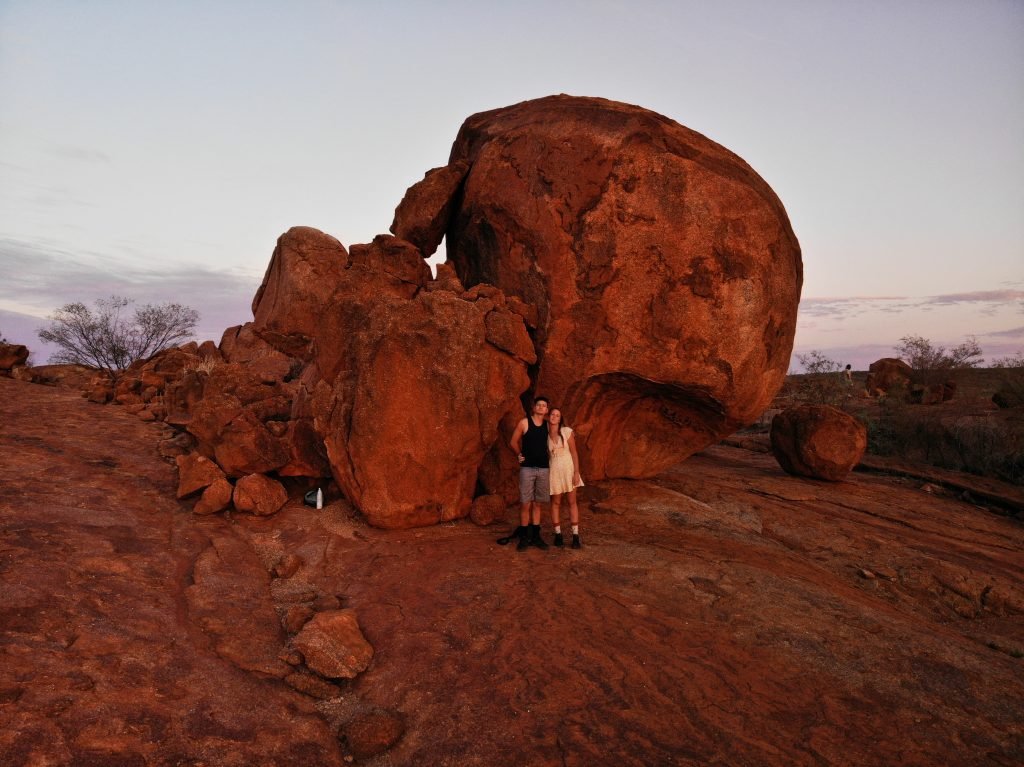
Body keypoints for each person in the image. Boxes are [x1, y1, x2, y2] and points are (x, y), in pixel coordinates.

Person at [507, 396, 551, 551]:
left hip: (544, 468)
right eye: (538, 405)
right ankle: (524, 536)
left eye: (544, 406)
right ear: (534, 408)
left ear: (546, 410)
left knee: (538, 503)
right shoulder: (524, 423)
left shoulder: (548, 426)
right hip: (527, 468)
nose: (540, 407)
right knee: (526, 503)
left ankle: (536, 536)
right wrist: (518, 454)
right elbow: (513, 441)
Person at [547, 408, 583, 549]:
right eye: (552, 414)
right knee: (556, 503)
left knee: (572, 502)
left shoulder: (566, 431)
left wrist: (576, 473)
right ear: (548, 417)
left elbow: (574, 453)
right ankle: (558, 535)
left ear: (560, 418)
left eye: (557, 415)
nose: (554, 417)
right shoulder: (545, 435)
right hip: (555, 472)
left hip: (569, 470)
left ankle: (575, 536)